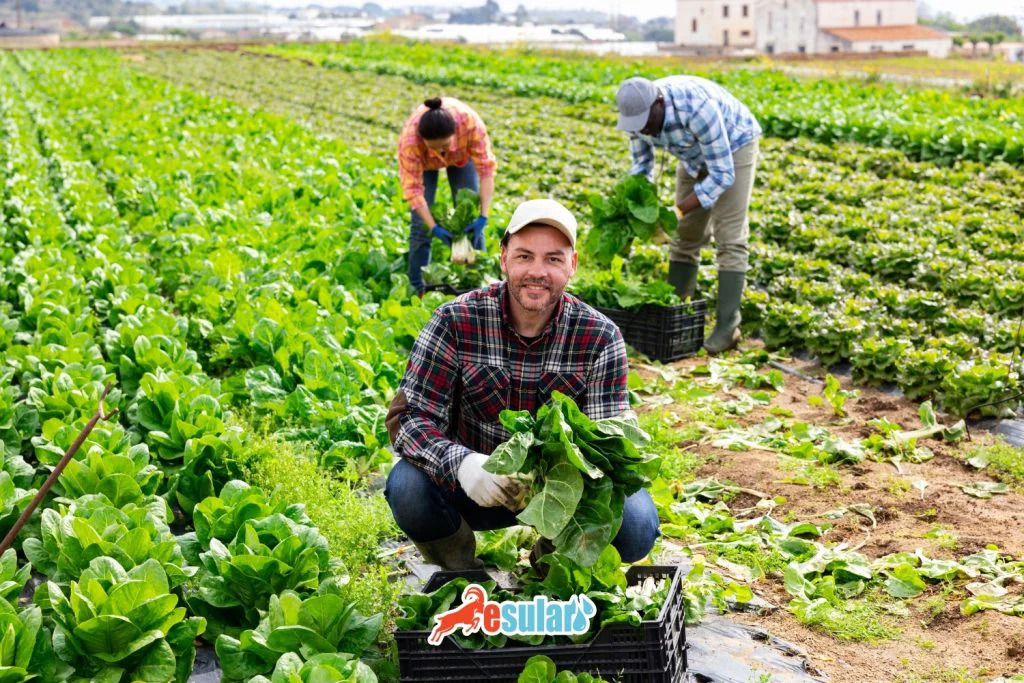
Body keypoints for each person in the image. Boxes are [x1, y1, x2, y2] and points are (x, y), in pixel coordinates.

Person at [384, 198, 660, 570]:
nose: (537, 271)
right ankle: (459, 567)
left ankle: (553, 562)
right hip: (472, 488)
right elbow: (408, 418)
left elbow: (607, 446)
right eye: (524, 256)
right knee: (407, 487)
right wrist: (464, 465)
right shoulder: (455, 320)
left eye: (553, 259)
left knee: (637, 522)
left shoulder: (599, 337)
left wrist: (560, 482)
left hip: (560, 494)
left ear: (572, 265)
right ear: (503, 258)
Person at [616, 75, 762, 354]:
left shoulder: (696, 107)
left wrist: (677, 210)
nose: (643, 130)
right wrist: (636, 211)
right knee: (683, 237)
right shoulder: (637, 117)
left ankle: (728, 327)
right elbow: (641, 167)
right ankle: (679, 315)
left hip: (734, 147)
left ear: (659, 102)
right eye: (638, 126)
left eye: (647, 123)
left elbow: (722, 174)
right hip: (692, 157)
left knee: (729, 237)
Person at [398, 96, 497, 295]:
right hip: (424, 165)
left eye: (444, 145)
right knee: (420, 227)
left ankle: (480, 286)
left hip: (461, 158)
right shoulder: (410, 142)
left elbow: (486, 171)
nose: (439, 152)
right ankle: (417, 287)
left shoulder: (469, 124)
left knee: (469, 218)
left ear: (454, 134)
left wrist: (483, 216)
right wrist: (433, 227)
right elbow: (413, 191)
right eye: (433, 147)